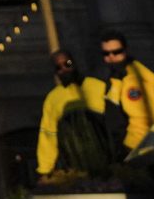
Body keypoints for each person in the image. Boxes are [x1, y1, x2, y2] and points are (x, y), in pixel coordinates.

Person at [35, 49, 109, 178]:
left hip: (106, 159)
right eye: (58, 67)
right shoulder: (53, 98)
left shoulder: (97, 86)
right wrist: (45, 169)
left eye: (67, 64)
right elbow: (48, 134)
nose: (64, 69)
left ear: (74, 63)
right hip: (74, 163)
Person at [99, 28, 154, 153]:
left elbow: (143, 117)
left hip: (137, 147)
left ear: (125, 51)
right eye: (106, 54)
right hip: (130, 146)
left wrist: (128, 147)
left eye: (116, 52)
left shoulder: (134, 78)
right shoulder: (117, 77)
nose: (111, 57)